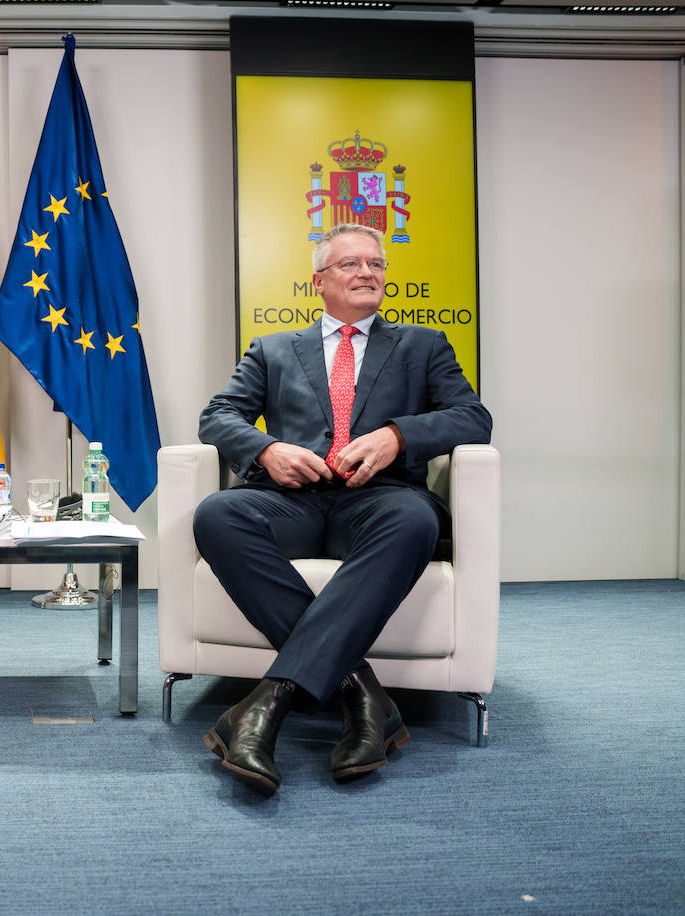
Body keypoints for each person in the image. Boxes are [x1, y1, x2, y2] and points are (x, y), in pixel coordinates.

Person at [193, 223, 491, 796]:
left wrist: (397, 438)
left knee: (415, 520)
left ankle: (263, 707)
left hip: (379, 501)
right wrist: (267, 449)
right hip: (293, 502)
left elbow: (473, 417)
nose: (368, 273)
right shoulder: (274, 348)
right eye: (352, 264)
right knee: (216, 516)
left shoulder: (422, 346)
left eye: (376, 264)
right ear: (319, 281)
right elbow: (218, 415)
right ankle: (366, 697)